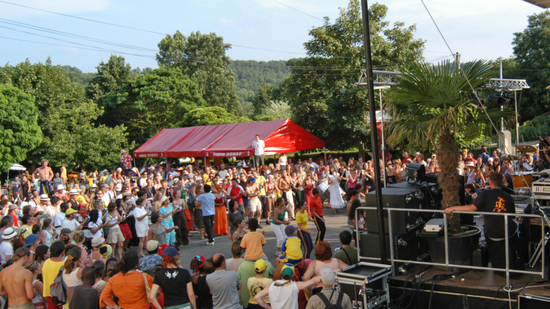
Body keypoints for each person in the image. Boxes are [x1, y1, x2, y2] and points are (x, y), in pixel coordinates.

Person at [444, 172, 521, 278]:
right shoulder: (508, 197)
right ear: (501, 183)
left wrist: (453, 208)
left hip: (490, 232)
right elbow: (513, 216)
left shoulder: (485, 194)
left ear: (491, 182)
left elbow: (471, 208)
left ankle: (498, 266)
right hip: (506, 233)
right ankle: (517, 259)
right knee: (516, 225)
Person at [254, 263, 320, 309]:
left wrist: (268, 307)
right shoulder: (294, 285)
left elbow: (257, 297)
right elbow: (313, 281)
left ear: (281, 273)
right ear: (293, 275)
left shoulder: (271, 285)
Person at [42, 241, 65, 309]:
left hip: (49, 294)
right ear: (62, 252)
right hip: (61, 295)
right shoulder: (64, 264)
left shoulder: (46, 262)